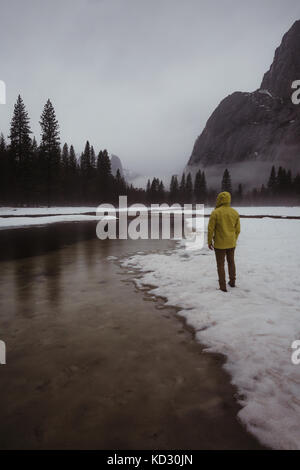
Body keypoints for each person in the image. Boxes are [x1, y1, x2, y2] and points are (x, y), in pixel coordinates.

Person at [207, 191, 240, 292]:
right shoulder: (234, 212)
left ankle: (223, 286)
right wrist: (234, 239)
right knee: (231, 262)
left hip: (220, 244)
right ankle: (232, 281)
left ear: (219, 200)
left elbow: (210, 229)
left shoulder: (215, 213)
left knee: (220, 265)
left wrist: (209, 241)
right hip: (231, 243)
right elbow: (237, 230)